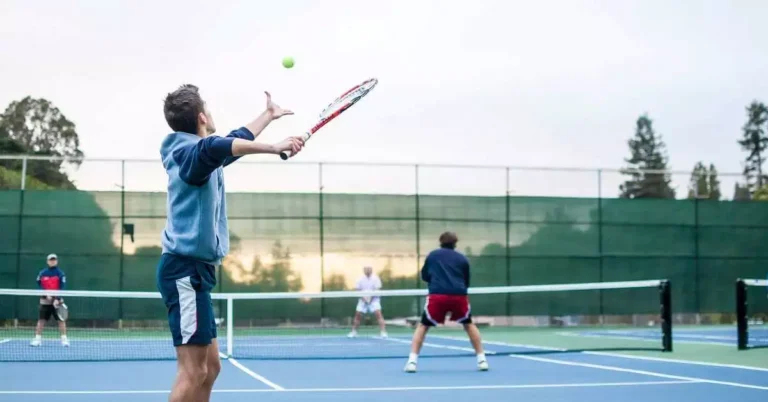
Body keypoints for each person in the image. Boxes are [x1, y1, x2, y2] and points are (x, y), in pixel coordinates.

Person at [156, 84, 304, 402]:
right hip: (184, 271)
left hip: (197, 272)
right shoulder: (189, 155)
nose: (212, 113)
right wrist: (273, 146)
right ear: (201, 117)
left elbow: (230, 142)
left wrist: (268, 116)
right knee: (193, 371)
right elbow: (216, 148)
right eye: (208, 109)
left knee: (211, 367)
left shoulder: (198, 154)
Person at [404, 232, 488, 373]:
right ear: (455, 243)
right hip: (458, 295)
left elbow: (425, 276)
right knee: (468, 324)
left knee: (423, 326)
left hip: (438, 296)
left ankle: (412, 362)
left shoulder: (432, 256)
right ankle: (482, 360)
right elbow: (466, 281)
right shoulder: (462, 259)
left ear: (440, 242)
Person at [30, 254, 69, 347]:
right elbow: (40, 285)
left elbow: (62, 287)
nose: (52, 261)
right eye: (51, 260)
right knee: (41, 320)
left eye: (54, 260)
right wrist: (46, 294)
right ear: (47, 261)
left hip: (57, 301)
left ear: (57, 261)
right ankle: (37, 339)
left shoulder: (60, 273)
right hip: (45, 301)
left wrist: (57, 298)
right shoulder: (42, 273)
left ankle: (64, 340)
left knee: (61, 320)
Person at [347, 265, 387, 338]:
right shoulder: (360, 279)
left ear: (371, 270)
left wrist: (370, 299)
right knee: (358, 315)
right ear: (364, 270)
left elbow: (377, 289)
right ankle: (354, 332)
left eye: (369, 269)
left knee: (378, 314)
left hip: (374, 300)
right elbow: (358, 290)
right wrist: (364, 299)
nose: (368, 270)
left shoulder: (376, 278)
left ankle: (383, 332)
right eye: (366, 269)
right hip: (362, 300)